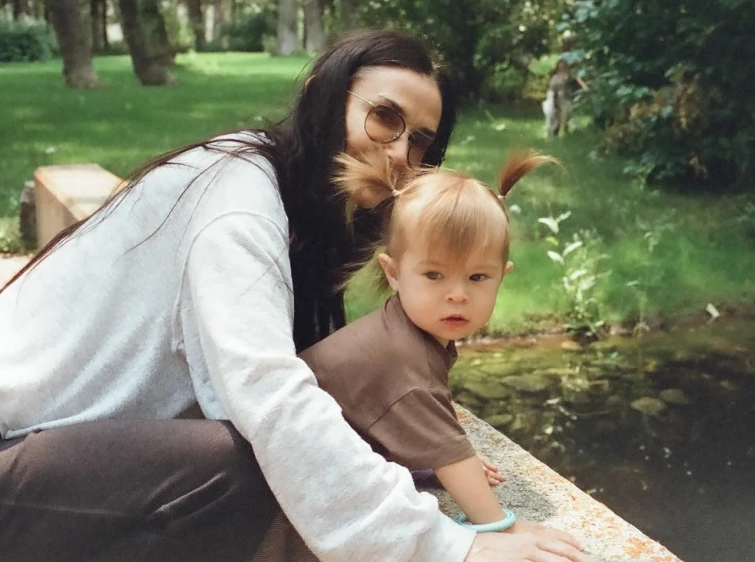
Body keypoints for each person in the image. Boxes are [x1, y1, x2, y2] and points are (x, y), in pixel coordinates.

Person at [0, 28, 589, 562]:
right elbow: (270, 394)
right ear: (321, 96)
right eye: (385, 117)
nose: (398, 155)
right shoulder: (239, 201)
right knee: (240, 466)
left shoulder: (294, 201)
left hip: (62, 451)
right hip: (14, 454)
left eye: (420, 143)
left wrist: (416, 449)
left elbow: (324, 383)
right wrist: (449, 546)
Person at [300, 150, 555, 541]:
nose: (457, 295)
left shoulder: (408, 331)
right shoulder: (401, 358)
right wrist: (503, 531)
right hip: (279, 482)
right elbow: (449, 453)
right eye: (434, 275)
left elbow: (412, 424)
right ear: (394, 273)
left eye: (477, 277)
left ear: (501, 277)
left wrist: (430, 458)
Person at [542, 59, 589, 138]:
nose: (562, 68)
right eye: (560, 66)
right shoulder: (555, 77)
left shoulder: (571, 76)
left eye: (564, 66)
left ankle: (562, 130)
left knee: (564, 109)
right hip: (555, 98)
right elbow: (551, 90)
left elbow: (584, 86)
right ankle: (556, 130)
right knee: (555, 110)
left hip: (566, 98)